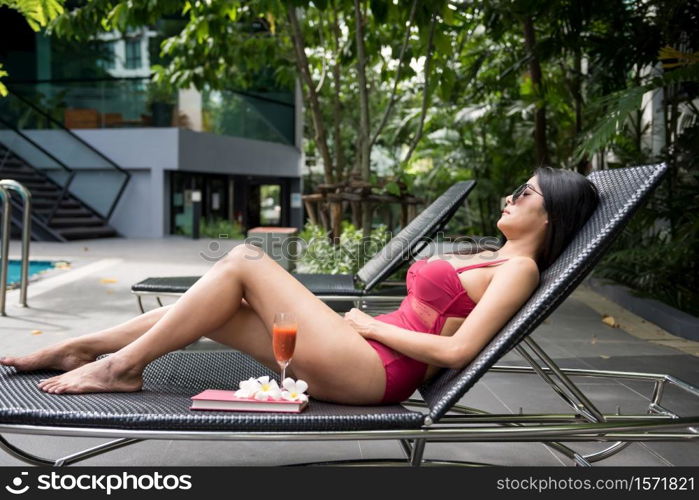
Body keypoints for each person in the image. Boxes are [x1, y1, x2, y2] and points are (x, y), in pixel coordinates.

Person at [0, 167, 599, 405]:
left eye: (527, 193)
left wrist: (363, 323)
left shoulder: (519, 269)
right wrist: (366, 325)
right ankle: (84, 349)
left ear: (550, 217)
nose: (512, 195)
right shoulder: (498, 256)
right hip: (364, 345)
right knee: (218, 305)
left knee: (241, 261)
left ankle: (115, 367)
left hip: (377, 370)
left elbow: (459, 352)